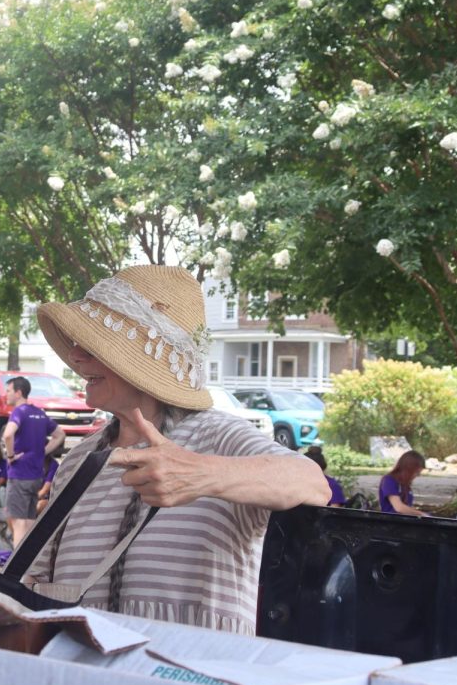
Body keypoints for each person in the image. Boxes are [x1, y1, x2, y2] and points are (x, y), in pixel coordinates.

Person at [24, 265, 329, 634]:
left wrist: (201, 474)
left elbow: (312, 483)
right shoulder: (78, 461)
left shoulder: (217, 437)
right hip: (89, 681)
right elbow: (34, 581)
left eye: (91, 344)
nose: (75, 356)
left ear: (144, 359)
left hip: (193, 679)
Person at [2, 376, 66, 546]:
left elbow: (8, 434)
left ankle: (16, 569)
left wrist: (10, 456)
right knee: (29, 521)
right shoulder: (39, 413)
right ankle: (28, 567)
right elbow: (60, 435)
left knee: (18, 522)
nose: (5, 394)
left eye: (8, 391)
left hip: (20, 473)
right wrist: (42, 451)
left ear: (18, 392)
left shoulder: (19, 412)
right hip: (36, 476)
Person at [378, 450, 428, 517]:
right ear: (408, 469)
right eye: (417, 472)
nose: (418, 475)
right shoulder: (389, 481)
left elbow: (407, 506)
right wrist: (421, 514)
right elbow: (399, 508)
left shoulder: (404, 484)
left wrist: (414, 512)